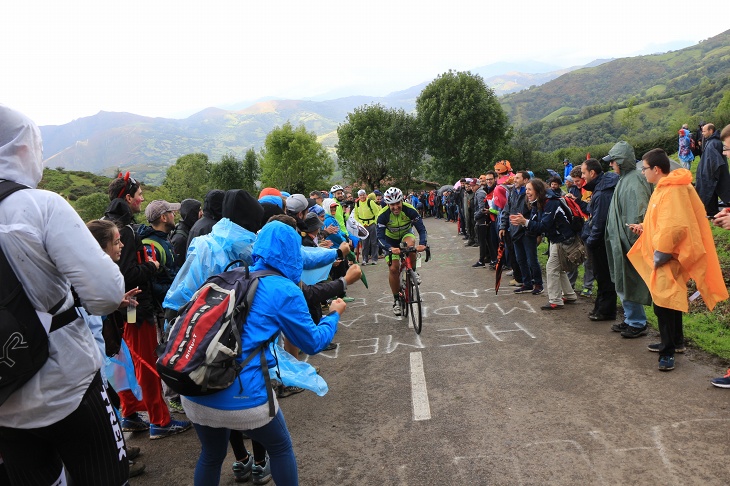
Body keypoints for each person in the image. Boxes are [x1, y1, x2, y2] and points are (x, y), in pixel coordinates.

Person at [0, 105, 129, 485]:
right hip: (69, 386)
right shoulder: (39, 206)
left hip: (6, 403)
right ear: (23, 149)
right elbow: (106, 295)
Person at [182, 220, 346, 486]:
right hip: (243, 395)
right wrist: (333, 315)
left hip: (196, 387)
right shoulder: (283, 289)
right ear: (292, 252)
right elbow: (312, 343)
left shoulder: (231, 275)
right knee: (280, 447)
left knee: (211, 455)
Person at [105, 174, 192, 439]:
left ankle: (130, 413)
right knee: (144, 359)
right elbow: (129, 274)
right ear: (128, 198)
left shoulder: (105, 224)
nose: (142, 199)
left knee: (124, 358)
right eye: (139, 194)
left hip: (114, 307)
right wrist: (151, 267)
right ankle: (159, 420)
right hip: (134, 306)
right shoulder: (127, 232)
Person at [627, 148, 728, 371]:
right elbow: (662, 221)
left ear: (656, 169)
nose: (643, 173)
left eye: (644, 169)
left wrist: (660, 254)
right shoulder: (664, 188)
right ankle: (674, 342)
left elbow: (674, 227)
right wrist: (644, 228)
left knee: (664, 304)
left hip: (668, 256)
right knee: (670, 300)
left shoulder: (672, 189)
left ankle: (667, 352)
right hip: (666, 253)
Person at [602, 142, 653, 338]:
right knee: (623, 282)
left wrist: (632, 242)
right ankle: (631, 318)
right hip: (619, 242)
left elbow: (638, 214)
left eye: (613, 161)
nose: (610, 165)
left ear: (621, 161)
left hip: (628, 243)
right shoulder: (624, 179)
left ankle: (637, 322)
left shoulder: (634, 181)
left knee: (630, 282)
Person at [510, 178, 577, 310]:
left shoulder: (551, 202)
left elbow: (544, 226)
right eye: (526, 189)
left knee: (551, 268)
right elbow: (534, 222)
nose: (527, 192)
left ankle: (555, 300)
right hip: (555, 238)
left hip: (563, 238)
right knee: (559, 268)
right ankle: (569, 295)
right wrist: (523, 222)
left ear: (538, 190)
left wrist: (525, 222)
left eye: (529, 189)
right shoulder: (538, 202)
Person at [376, 187, 428, 316]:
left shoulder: (410, 210)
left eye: (397, 203)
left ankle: (413, 272)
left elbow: (421, 229)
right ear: (388, 204)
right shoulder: (382, 215)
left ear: (402, 201)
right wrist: (389, 248)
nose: (395, 207)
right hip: (390, 240)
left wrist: (423, 244)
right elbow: (380, 238)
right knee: (394, 268)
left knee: (411, 246)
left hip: (406, 235)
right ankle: (396, 300)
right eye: (392, 205)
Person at [581, 158, 619, 321]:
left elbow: (599, 221)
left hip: (600, 241)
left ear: (592, 172)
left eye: (583, 173)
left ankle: (606, 311)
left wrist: (591, 240)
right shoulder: (600, 188)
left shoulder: (603, 193)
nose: (583, 177)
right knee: (600, 275)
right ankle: (600, 308)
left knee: (604, 276)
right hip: (598, 239)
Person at [500, 171, 543, 295]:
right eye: (515, 178)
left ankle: (538, 284)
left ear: (525, 180)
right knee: (520, 259)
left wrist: (537, 232)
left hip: (527, 232)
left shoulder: (530, 194)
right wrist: (503, 226)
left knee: (531, 260)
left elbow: (536, 214)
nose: (514, 180)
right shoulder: (512, 192)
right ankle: (527, 283)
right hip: (514, 231)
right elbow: (506, 210)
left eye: (518, 178)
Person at [695, 123, 730, 216]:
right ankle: (713, 211)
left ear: (711, 131)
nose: (702, 133)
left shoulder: (714, 143)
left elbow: (715, 162)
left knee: (713, 191)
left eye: (704, 131)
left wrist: (708, 175)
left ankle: (712, 211)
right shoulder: (710, 142)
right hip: (710, 174)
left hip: (710, 174)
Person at [170, 198, 202, 266]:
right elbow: (178, 265)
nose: (202, 213)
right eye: (199, 210)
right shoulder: (180, 238)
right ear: (192, 213)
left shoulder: (189, 229)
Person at [353, 189, 381, 265]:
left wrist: (375, 223)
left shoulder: (370, 202)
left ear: (366, 195)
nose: (362, 196)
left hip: (371, 224)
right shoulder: (357, 203)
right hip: (363, 226)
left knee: (373, 242)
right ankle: (365, 259)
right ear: (358, 196)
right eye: (360, 195)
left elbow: (377, 213)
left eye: (363, 194)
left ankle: (374, 259)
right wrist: (359, 224)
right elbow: (356, 215)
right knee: (364, 243)